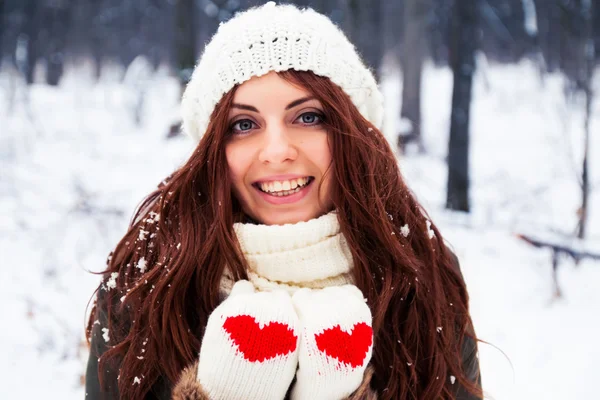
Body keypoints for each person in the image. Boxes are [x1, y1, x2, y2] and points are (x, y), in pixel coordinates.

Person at [85, 2, 483, 399]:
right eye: (243, 125)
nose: (276, 151)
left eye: (308, 117)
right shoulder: (148, 284)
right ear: (212, 153)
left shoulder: (420, 275)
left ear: (353, 134)